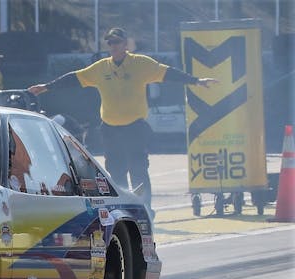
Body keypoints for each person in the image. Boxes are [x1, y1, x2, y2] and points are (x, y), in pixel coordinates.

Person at [28, 27, 217, 206]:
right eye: (110, 43)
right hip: (110, 129)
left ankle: (145, 208)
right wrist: (47, 87)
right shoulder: (101, 67)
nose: (113, 46)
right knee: (116, 172)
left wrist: (196, 81)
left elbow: (167, 73)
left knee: (138, 170)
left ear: (126, 44)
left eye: (117, 42)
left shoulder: (141, 64)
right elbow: (75, 78)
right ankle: (124, 207)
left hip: (135, 128)